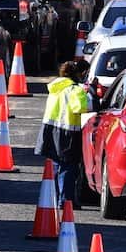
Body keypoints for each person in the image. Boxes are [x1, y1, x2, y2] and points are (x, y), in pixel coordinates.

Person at [39, 60, 91, 208]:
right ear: (79, 74)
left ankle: (54, 198)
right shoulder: (76, 90)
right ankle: (66, 200)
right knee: (69, 167)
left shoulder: (57, 87)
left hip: (50, 129)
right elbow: (79, 108)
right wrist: (86, 96)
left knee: (55, 165)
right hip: (68, 132)